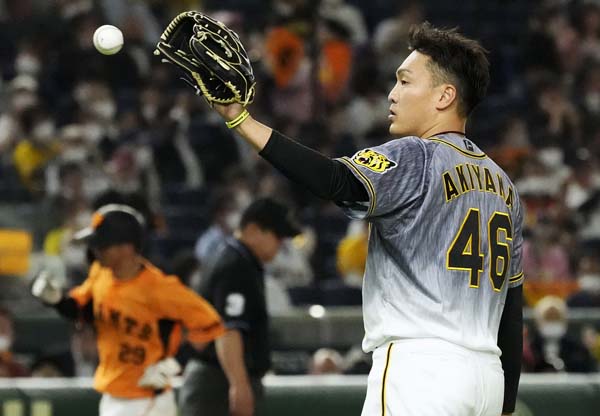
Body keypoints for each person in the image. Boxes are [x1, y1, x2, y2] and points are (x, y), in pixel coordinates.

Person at [204, 22, 524, 416]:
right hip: (487, 376)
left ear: (444, 96)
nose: (392, 93)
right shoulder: (504, 186)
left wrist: (241, 120)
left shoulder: (416, 155)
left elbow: (336, 181)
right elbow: (511, 307)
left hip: (422, 369)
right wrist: (505, 404)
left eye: (405, 81)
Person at [30, 203, 253, 416]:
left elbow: (212, 326)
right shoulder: (100, 274)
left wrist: (173, 364)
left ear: (126, 248)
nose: (96, 250)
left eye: (102, 245)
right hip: (113, 393)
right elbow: (83, 310)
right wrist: (57, 300)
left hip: (147, 400)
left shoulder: (160, 289)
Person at [179, 197, 300, 416]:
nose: (281, 244)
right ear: (253, 230)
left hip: (218, 378)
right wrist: (239, 384)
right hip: (217, 383)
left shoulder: (237, 258)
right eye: (277, 236)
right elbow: (228, 329)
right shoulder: (235, 264)